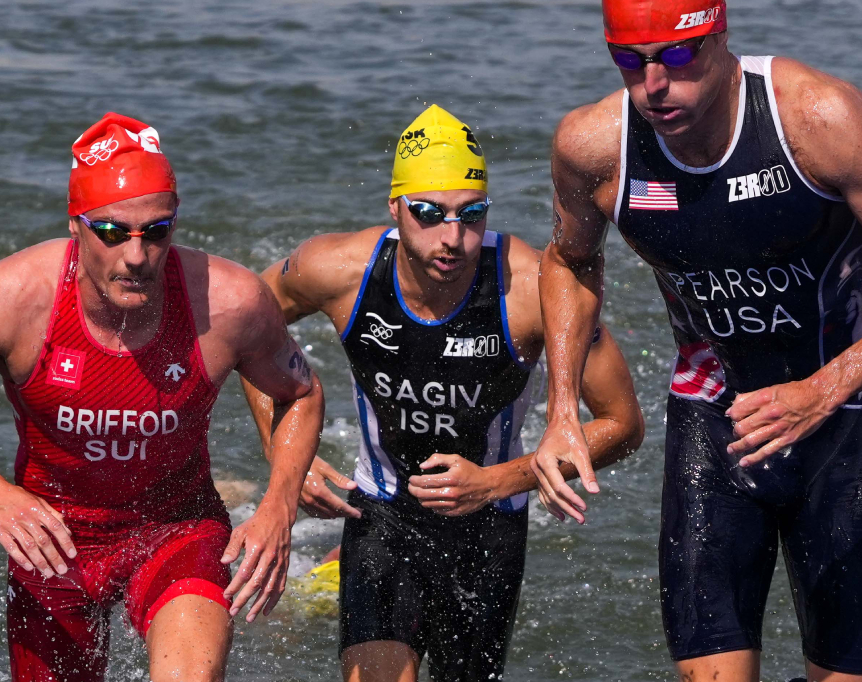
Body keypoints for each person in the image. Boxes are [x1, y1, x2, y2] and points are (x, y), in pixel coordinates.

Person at [529, 0, 862, 682]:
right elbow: (570, 261)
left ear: (719, 32)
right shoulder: (593, 147)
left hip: (840, 426)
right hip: (714, 425)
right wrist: (564, 409)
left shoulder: (820, 120)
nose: (654, 86)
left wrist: (822, 390)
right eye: (629, 62)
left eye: (676, 57)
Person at [0, 113, 327, 682]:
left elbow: (300, 391)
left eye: (156, 232)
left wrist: (279, 506)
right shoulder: (14, 298)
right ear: (76, 224)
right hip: (52, 544)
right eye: (112, 232)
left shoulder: (230, 302)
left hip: (177, 531)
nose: (136, 256)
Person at [242, 105, 646, 682]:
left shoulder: (530, 291)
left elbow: (623, 422)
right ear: (395, 208)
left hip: (491, 527)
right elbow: (245, 325)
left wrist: (500, 480)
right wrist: (285, 455)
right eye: (429, 214)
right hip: (380, 513)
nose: (452, 237)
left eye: (471, 215)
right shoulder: (340, 270)